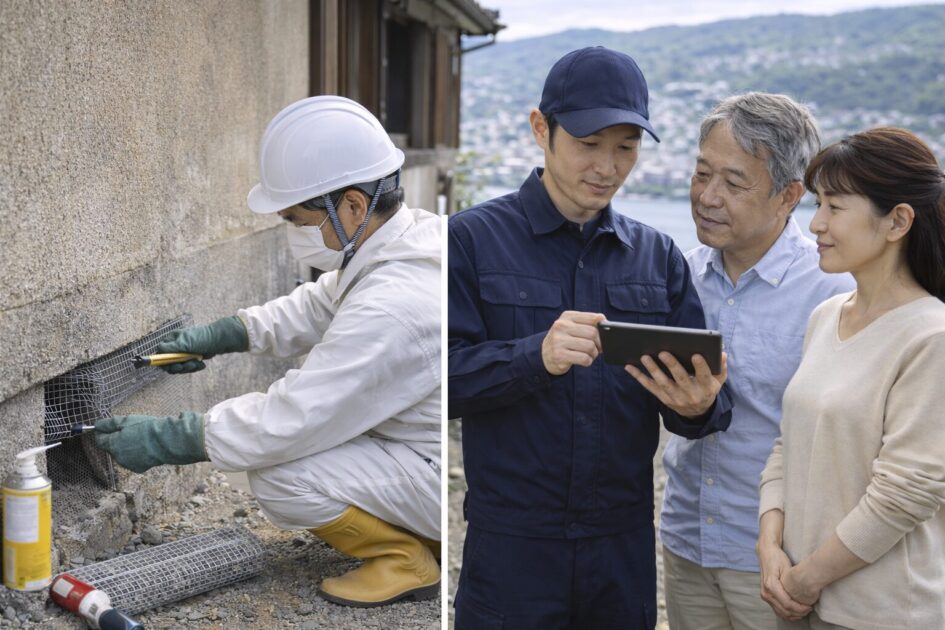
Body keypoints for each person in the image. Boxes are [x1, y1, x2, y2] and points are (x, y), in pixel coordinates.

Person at [95, 95, 442, 608]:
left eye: (298, 219)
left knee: (280, 473)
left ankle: (404, 558)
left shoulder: (394, 306)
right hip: (414, 445)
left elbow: (296, 417)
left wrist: (174, 437)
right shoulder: (402, 242)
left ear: (351, 204)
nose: (295, 233)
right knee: (279, 450)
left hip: (430, 467)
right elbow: (316, 306)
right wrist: (224, 335)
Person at [448, 46, 733, 630]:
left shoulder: (658, 258)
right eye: (587, 143)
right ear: (540, 130)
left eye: (625, 147)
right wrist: (535, 356)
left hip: (621, 546)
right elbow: (434, 383)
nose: (607, 166)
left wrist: (701, 406)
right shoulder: (470, 240)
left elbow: (702, 402)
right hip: (512, 546)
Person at [659, 93, 854, 630]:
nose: (708, 197)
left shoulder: (834, 290)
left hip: (782, 560)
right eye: (702, 174)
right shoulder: (680, 278)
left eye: (734, 182)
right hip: (686, 539)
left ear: (789, 196)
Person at [757, 127, 945, 629]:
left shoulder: (931, 335)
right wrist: (769, 542)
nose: (815, 223)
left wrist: (805, 579)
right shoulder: (826, 315)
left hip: (881, 613)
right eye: (818, 203)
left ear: (898, 221)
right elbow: (787, 443)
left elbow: (906, 493)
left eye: (835, 207)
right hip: (797, 598)